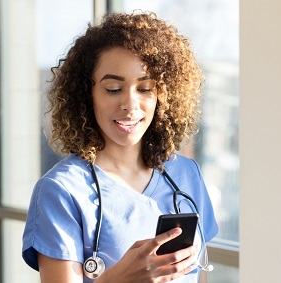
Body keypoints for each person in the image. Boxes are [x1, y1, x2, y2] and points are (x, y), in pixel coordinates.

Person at [21, 12, 218, 283]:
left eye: (145, 88)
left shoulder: (185, 175)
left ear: (163, 95)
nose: (130, 104)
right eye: (113, 89)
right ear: (86, 94)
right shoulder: (61, 191)